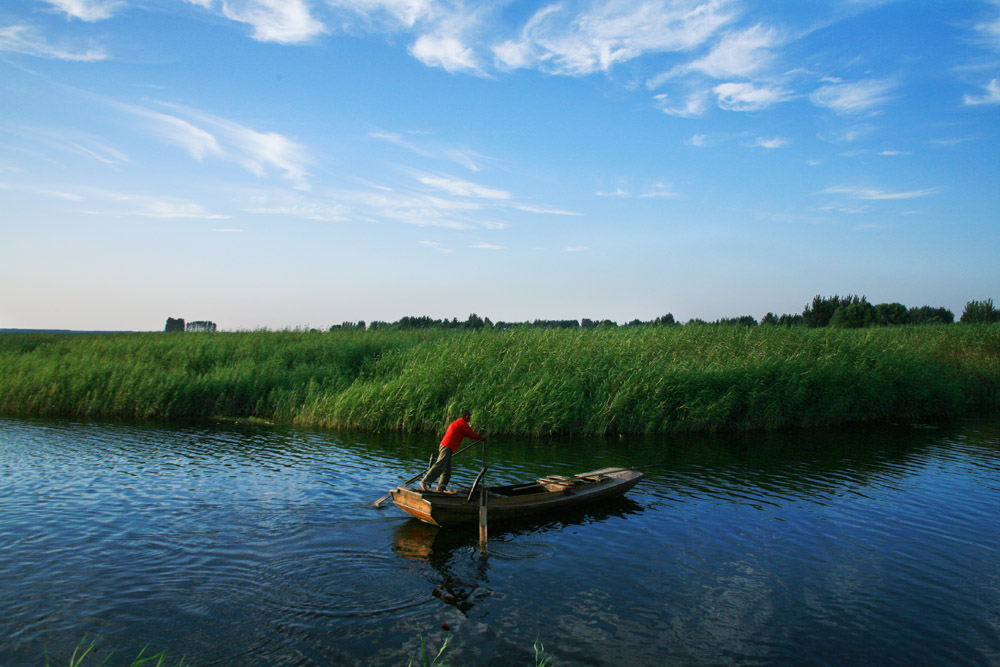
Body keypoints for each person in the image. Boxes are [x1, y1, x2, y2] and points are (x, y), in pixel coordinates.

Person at [420, 409, 485, 493]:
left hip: (447, 446)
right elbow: (471, 434)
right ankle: (425, 482)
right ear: (466, 416)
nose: (470, 418)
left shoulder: (458, 422)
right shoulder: (462, 424)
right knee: (440, 465)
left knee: (447, 469)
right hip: (447, 447)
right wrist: (481, 437)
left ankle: (441, 487)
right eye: (470, 416)